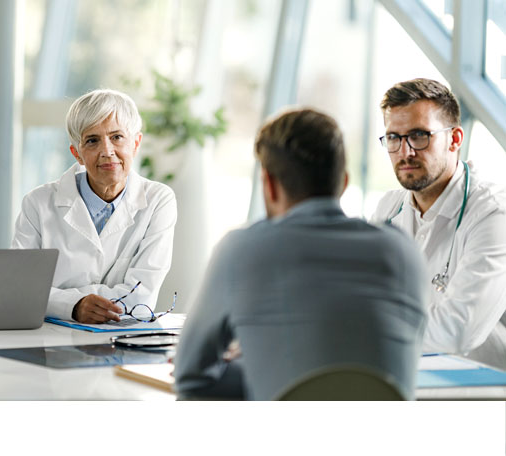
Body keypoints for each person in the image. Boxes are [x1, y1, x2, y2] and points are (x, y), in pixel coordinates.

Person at [174, 108, 427, 400]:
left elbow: (190, 377)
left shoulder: (240, 250)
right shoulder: (403, 251)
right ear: (343, 183)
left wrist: (263, 366)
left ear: (269, 185)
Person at [371, 79, 506, 369]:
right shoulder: (389, 209)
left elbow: (457, 331)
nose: (405, 152)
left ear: (455, 139)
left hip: (487, 391)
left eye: (419, 136)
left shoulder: (494, 214)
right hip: (417, 379)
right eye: (394, 137)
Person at [11, 89, 177, 323]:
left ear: (136, 143)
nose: (107, 151)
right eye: (92, 140)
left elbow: (141, 299)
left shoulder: (159, 201)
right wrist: (74, 306)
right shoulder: (38, 203)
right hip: (53, 340)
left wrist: (57, 300)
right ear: (77, 154)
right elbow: (20, 289)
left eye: (117, 137)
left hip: (124, 337)